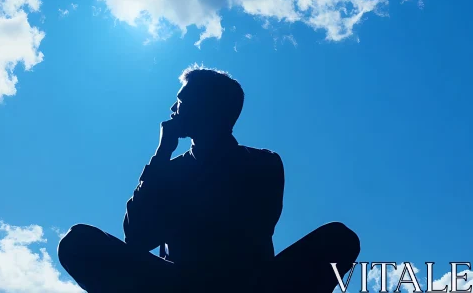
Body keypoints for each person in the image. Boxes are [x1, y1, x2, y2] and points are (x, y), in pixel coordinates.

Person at [57, 65, 361, 293]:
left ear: (208, 108)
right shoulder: (170, 169)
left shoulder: (262, 163)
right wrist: (162, 153)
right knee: (79, 241)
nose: (173, 109)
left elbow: (249, 228)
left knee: (339, 237)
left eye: (182, 101)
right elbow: (137, 238)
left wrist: (176, 200)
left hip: (251, 284)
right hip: (180, 285)